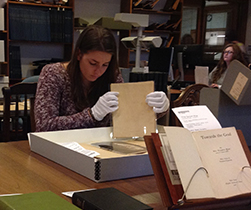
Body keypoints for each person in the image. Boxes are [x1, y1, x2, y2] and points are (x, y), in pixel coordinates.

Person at [34, 25, 169, 132]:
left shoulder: (112, 74)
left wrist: (157, 109)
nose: (98, 71)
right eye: (93, 63)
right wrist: (91, 115)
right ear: (79, 54)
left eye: (105, 64)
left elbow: (125, 118)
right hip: (60, 150)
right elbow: (44, 126)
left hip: (99, 147)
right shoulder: (53, 74)